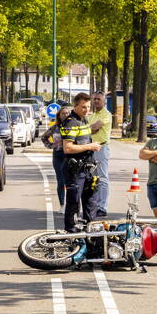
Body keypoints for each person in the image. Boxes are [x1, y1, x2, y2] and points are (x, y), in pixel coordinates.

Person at [61, 93, 103, 232]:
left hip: (88, 167)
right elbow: (67, 148)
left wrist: (92, 145)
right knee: (74, 201)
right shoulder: (70, 122)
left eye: (89, 107)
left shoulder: (83, 120)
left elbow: (83, 139)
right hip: (75, 169)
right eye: (83, 107)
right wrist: (89, 147)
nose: (87, 110)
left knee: (91, 200)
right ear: (75, 106)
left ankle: (90, 230)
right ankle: (71, 231)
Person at [87, 92, 113, 216]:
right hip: (91, 148)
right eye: (95, 99)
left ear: (104, 102)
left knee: (102, 178)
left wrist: (85, 129)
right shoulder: (92, 116)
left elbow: (94, 128)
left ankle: (103, 207)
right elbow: (89, 128)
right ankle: (95, 205)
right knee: (93, 179)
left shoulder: (106, 114)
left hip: (101, 148)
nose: (96, 101)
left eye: (99, 99)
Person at [42, 106, 71, 206]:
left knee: (71, 182)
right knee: (61, 181)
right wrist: (50, 145)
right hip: (58, 156)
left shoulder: (72, 126)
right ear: (59, 115)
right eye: (63, 113)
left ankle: (71, 205)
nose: (66, 115)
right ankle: (62, 205)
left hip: (70, 156)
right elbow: (44, 137)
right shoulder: (55, 128)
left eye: (67, 113)